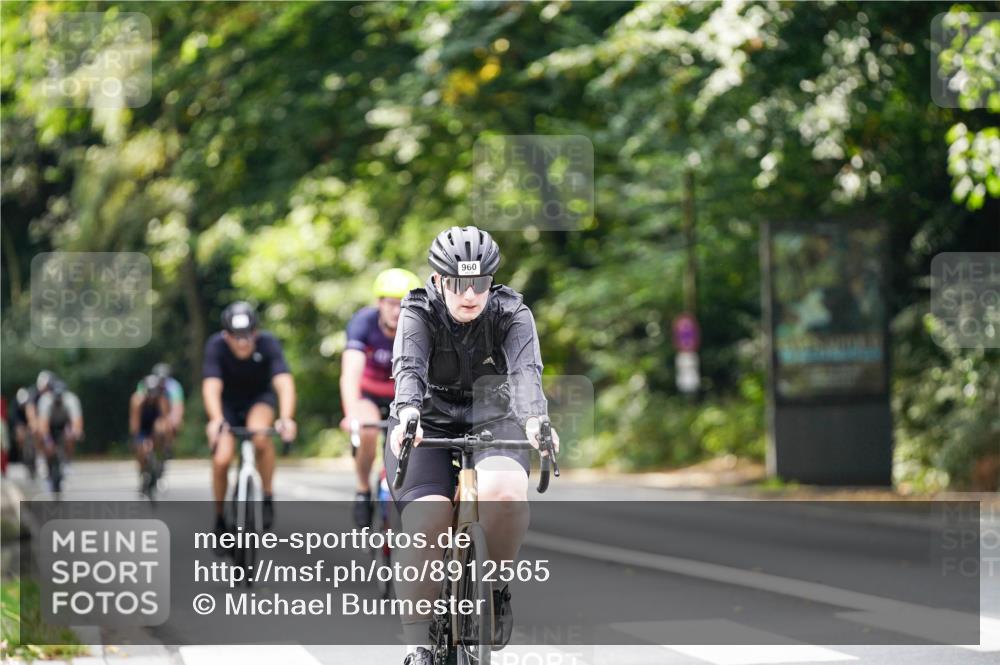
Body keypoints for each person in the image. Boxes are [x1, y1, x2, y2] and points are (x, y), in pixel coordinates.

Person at [385, 226, 559, 665]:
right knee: (428, 518)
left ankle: (495, 589)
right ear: (440, 280)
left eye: (480, 282)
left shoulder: (512, 313)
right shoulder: (417, 311)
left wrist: (537, 421)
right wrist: (406, 413)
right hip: (425, 419)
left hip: (494, 415)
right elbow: (409, 368)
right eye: (460, 284)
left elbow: (525, 376)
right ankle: (418, 646)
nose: (470, 294)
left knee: (503, 494)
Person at [202, 301, 296, 536]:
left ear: (255, 332)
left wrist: (286, 418)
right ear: (226, 335)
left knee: (260, 436)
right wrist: (215, 419)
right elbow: (211, 386)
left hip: (258, 400)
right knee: (222, 458)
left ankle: (266, 495)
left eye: (247, 335)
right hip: (227, 404)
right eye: (236, 336)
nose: (243, 342)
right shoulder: (216, 346)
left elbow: (284, 383)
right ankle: (220, 515)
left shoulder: (269, 344)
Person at [340, 268, 422, 527]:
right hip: (369, 394)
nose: (397, 311)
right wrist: (351, 411)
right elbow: (350, 371)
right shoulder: (363, 322)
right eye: (391, 303)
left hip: (404, 398)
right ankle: (363, 487)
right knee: (366, 428)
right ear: (379, 303)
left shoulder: (421, 326)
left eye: (404, 304)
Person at [129, 374, 171, 493]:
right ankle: (142, 474)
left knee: (161, 428)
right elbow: (135, 424)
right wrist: (138, 440)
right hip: (142, 427)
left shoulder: (162, 399)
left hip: (154, 427)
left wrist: (166, 442)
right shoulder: (137, 401)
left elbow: (165, 420)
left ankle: (160, 458)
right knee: (141, 451)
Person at [135, 363, 185, 457]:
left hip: (163, 413)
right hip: (146, 414)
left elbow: (177, 407)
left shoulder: (173, 387)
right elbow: (137, 411)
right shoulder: (143, 386)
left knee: (164, 426)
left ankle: (166, 446)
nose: (162, 382)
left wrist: (175, 421)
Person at [36, 379, 84, 469]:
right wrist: (47, 441)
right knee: (38, 433)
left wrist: (76, 432)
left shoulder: (71, 399)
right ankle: (42, 457)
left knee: (72, 436)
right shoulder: (45, 400)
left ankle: (67, 460)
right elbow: (43, 424)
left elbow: (76, 421)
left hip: (64, 424)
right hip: (49, 424)